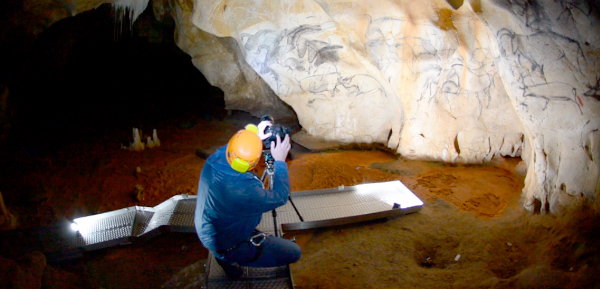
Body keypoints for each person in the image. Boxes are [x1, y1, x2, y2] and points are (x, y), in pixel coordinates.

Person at [194, 120, 301, 279]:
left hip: (208, 230)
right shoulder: (244, 190)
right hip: (228, 244)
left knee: (230, 226)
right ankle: (228, 258)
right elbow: (280, 196)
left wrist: (254, 136)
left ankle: (222, 256)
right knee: (294, 252)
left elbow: (234, 147)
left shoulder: (213, 161)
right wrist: (279, 161)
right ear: (254, 161)